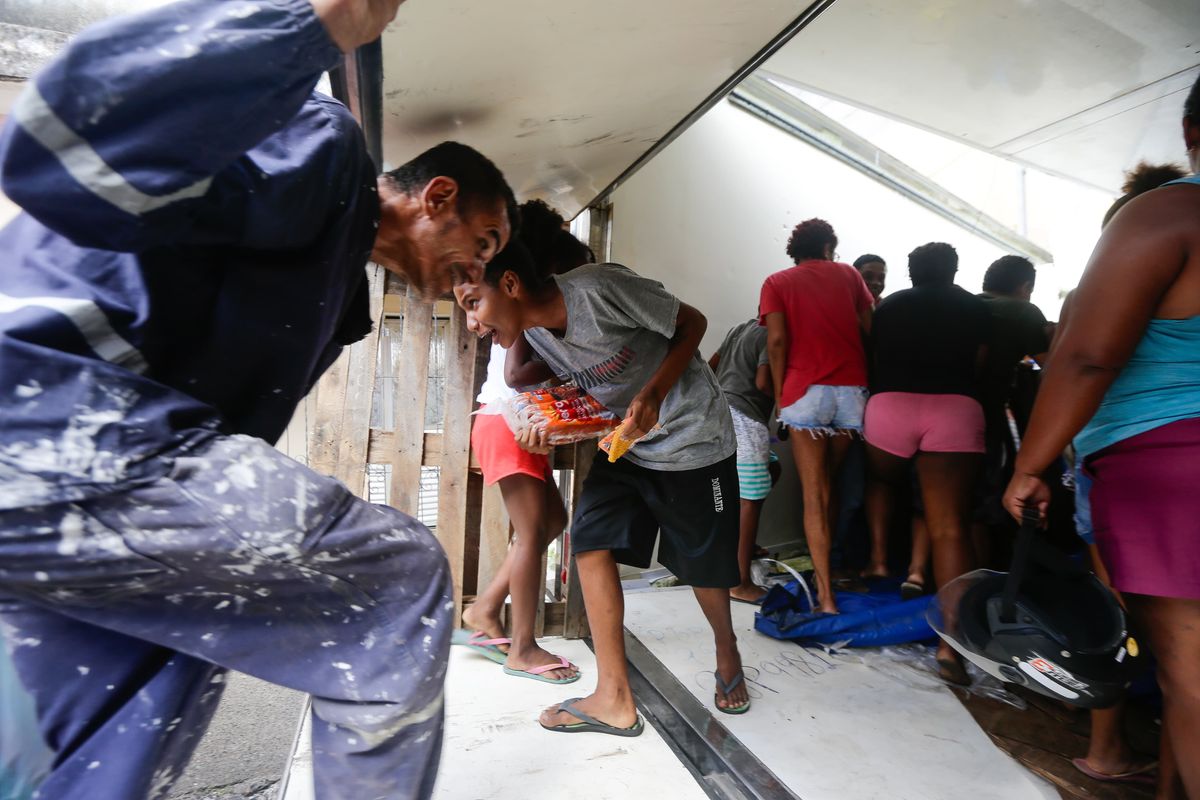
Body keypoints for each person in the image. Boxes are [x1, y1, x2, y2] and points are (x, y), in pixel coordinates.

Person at [0, 2, 519, 798]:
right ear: (436, 196)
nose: (475, 273)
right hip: (46, 415)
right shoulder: (327, 147)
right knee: (392, 586)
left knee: (119, 713)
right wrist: (314, 28)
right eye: (481, 243)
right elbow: (69, 156)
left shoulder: (335, 292)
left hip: (70, 473)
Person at [454, 251, 749, 734]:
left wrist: (653, 393)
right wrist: (552, 426)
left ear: (509, 283)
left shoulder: (597, 289)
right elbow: (569, 390)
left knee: (706, 566)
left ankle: (725, 645)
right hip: (627, 446)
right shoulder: (533, 339)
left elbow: (693, 322)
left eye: (472, 304)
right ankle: (613, 697)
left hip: (695, 440)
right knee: (590, 537)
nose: (470, 324)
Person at [1004, 74, 1200, 798]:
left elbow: (1086, 355)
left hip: (1172, 463)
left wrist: (1031, 465)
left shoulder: (1169, 215)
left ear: (1190, 134)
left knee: (1192, 679)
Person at [460, 201, 592, 683]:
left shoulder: (528, 302)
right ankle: (522, 649)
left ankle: (486, 608)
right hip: (505, 419)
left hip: (503, 420)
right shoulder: (525, 306)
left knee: (549, 520)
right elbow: (517, 374)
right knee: (533, 532)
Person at [862, 243, 989, 684]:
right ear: (954, 269)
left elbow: (874, 359)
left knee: (881, 481)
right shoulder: (973, 307)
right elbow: (982, 363)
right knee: (949, 524)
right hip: (953, 409)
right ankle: (950, 646)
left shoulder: (889, 306)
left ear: (910, 272)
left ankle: (879, 561)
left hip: (890, 407)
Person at [761, 219, 873, 614]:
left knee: (813, 494)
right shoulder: (849, 276)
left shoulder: (777, 282)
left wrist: (780, 396)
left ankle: (826, 598)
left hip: (804, 391)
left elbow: (776, 340)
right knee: (831, 483)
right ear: (828, 246)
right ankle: (835, 568)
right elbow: (868, 328)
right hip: (850, 392)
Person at [709, 318, 776, 605]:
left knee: (772, 468)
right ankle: (739, 582)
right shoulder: (772, 334)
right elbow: (763, 382)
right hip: (745, 419)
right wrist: (790, 395)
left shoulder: (741, 327)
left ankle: (740, 545)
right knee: (751, 498)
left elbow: (710, 365)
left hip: (720, 411)